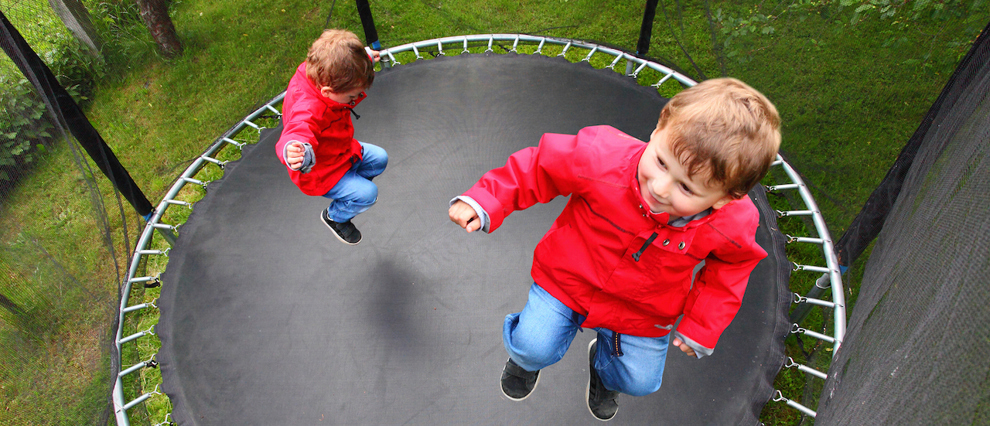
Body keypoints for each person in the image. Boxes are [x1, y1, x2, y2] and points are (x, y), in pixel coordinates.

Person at [448, 78, 780, 421]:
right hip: (567, 280)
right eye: (662, 162)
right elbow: (538, 168)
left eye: (686, 187)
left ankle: (604, 371)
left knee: (639, 381)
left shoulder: (732, 222)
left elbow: (733, 266)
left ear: (726, 198)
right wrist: (486, 198)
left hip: (644, 310)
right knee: (532, 345)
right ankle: (525, 363)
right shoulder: (601, 156)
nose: (660, 187)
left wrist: (702, 323)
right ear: (659, 127)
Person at [276, 29, 386, 245]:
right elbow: (298, 127)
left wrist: (362, 59)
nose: (355, 99)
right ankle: (335, 217)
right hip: (322, 170)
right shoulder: (309, 107)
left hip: (341, 149)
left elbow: (340, 57)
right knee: (368, 194)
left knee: (380, 158)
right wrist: (292, 148)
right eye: (351, 97)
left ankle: (351, 191)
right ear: (327, 92)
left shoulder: (321, 71)